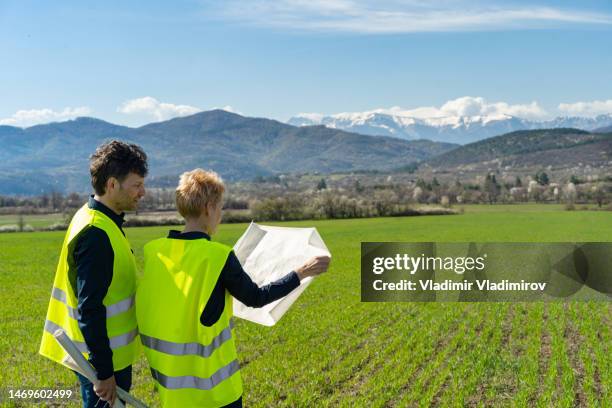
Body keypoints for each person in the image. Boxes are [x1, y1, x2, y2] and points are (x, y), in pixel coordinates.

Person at [136, 169, 330, 408]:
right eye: (220, 208)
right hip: (215, 394)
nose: (220, 215)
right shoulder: (218, 256)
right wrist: (302, 272)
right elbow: (257, 298)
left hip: (172, 393)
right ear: (208, 208)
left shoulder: (154, 251)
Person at [39, 140, 148, 407]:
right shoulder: (96, 235)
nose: (142, 192)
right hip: (100, 362)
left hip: (101, 356)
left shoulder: (96, 218)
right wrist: (103, 372)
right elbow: (90, 309)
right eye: (137, 185)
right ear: (112, 185)